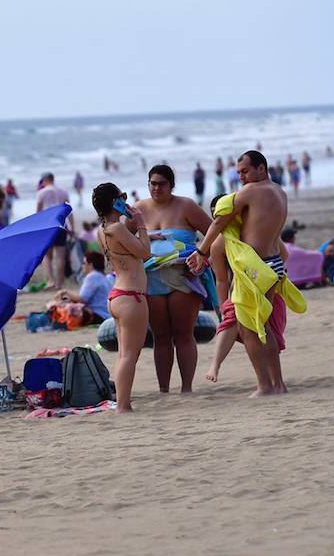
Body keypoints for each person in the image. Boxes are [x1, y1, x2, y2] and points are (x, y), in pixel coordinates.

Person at [190, 150, 294, 397]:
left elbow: (219, 221)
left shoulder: (251, 192)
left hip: (258, 269)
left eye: (245, 171)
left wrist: (201, 251)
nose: (242, 177)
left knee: (250, 329)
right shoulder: (279, 191)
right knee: (263, 325)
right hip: (274, 264)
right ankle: (278, 384)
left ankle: (265, 385)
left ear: (261, 168)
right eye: (238, 173)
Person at [138, 164, 213, 394]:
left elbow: (214, 234)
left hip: (183, 277)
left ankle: (187, 388)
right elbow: (123, 242)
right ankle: (163, 388)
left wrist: (201, 258)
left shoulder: (186, 206)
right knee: (160, 336)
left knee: (183, 333)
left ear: (171, 185)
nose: (156, 188)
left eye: (161, 183)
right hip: (152, 279)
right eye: (152, 183)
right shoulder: (138, 210)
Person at [92, 183, 151, 413]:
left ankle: (123, 402)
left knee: (124, 355)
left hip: (118, 295)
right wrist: (142, 225)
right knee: (129, 355)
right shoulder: (116, 228)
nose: (126, 201)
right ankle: (123, 405)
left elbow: (127, 249)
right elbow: (145, 254)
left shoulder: (104, 229)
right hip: (131, 297)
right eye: (122, 197)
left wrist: (132, 227)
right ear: (114, 202)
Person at [35, 173, 73, 289]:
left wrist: (37, 228)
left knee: (48, 256)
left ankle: (51, 281)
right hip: (61, 224)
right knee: (60, 256)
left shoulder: (41, 193)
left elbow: (38, 213)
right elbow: (69, 210)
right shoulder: (63, 192)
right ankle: (60, 283)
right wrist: (73, 227)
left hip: (48, 226)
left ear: (45, 180)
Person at [52, 250, 111, 324]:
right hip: (106, 315)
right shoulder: (103, 277)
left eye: (84, 263)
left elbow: (82, 299)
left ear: (90, 264)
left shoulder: (92, 276)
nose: (82, 266)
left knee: (61, 307)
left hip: (98, 315)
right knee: (65, 302)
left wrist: (64, 292)